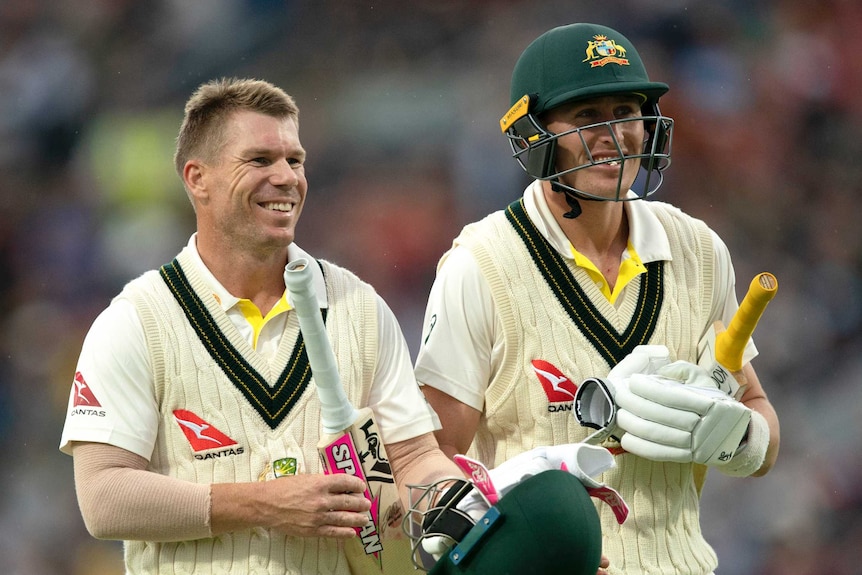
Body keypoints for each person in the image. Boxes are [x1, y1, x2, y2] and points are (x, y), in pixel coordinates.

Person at [58, 77, 469, 575]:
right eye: (259, 160)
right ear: (197, 179)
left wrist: (458, 502)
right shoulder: (136, 321)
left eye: (295, 161)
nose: (287, 178)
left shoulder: (359, 307)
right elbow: (105, 497)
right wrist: (265, 503)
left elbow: (414, 459)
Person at [414, 22, 780, 575]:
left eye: (627, 112)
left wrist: (739, 440)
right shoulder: (480, 265)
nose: (615, 134)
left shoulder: (700, 250)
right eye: (587, 118)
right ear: (534, 135)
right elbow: (429, 467)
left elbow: (760, 421)